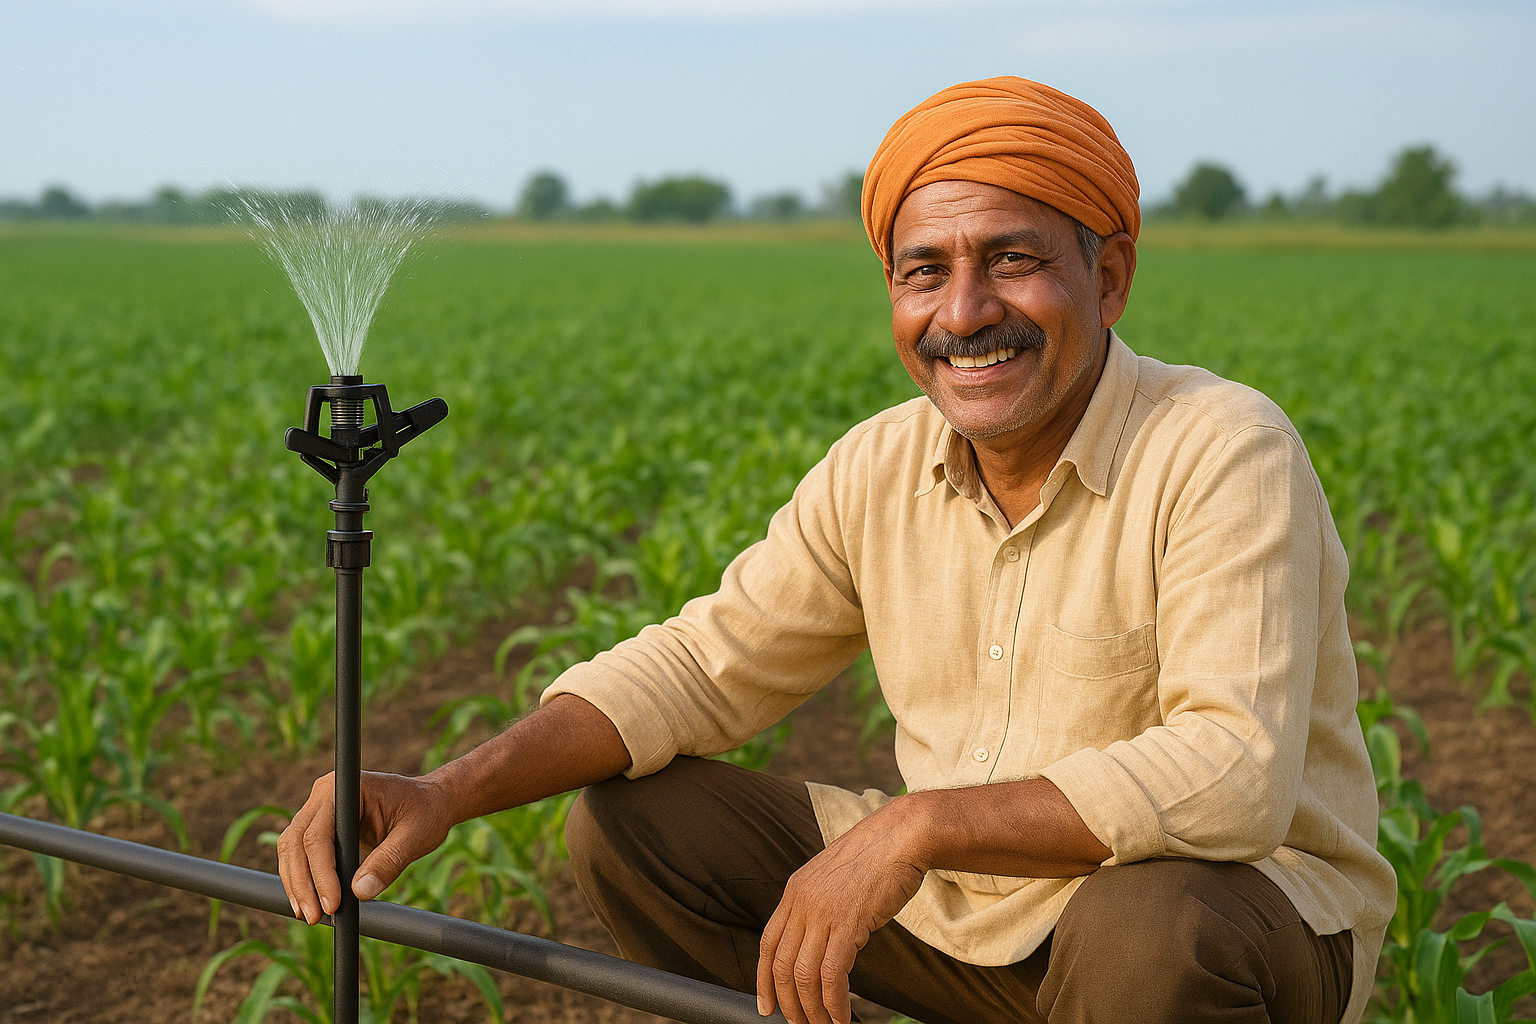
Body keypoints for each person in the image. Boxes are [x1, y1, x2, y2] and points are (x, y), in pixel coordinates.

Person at [278, 76, 1395, 1024]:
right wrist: (444, 788)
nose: (965, 311)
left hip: (1225, 927)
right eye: (924, 271)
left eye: (1012, 260)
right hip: (963, 915)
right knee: (634, 823)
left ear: (1107, 279)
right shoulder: (880, 464)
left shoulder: (1218, 446)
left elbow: (1234, 774)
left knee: (1151, 925)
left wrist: (915, 825)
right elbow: (702, 666)